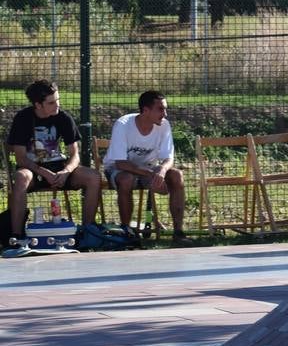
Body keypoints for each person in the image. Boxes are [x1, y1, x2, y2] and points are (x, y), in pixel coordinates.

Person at [5, 79, 101, 236]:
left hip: (60, 169)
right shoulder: (23, 118)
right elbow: (21, 158)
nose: (57, 105)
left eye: (57, 100)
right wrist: (44, 173)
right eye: (51, 103)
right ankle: (17, 237)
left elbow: (75, 154)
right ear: (38, 105)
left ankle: (88, 231)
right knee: (21, 177)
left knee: (94, 176)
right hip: (32, 169)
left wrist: (66, 171)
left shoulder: (64, 117)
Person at [103, 90, 191, 244]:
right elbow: (120, 163)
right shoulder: (123, 124)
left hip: (148, 169)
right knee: (126, 179)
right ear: (145, 110)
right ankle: (127, 232)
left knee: (176, 175)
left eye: (165, 109)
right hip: (119, 169)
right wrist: (151, 174)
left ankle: (178, 232)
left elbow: (168, 158)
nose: (165, 114)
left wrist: (162, 172)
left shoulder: (164, 125)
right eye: (161, 109)